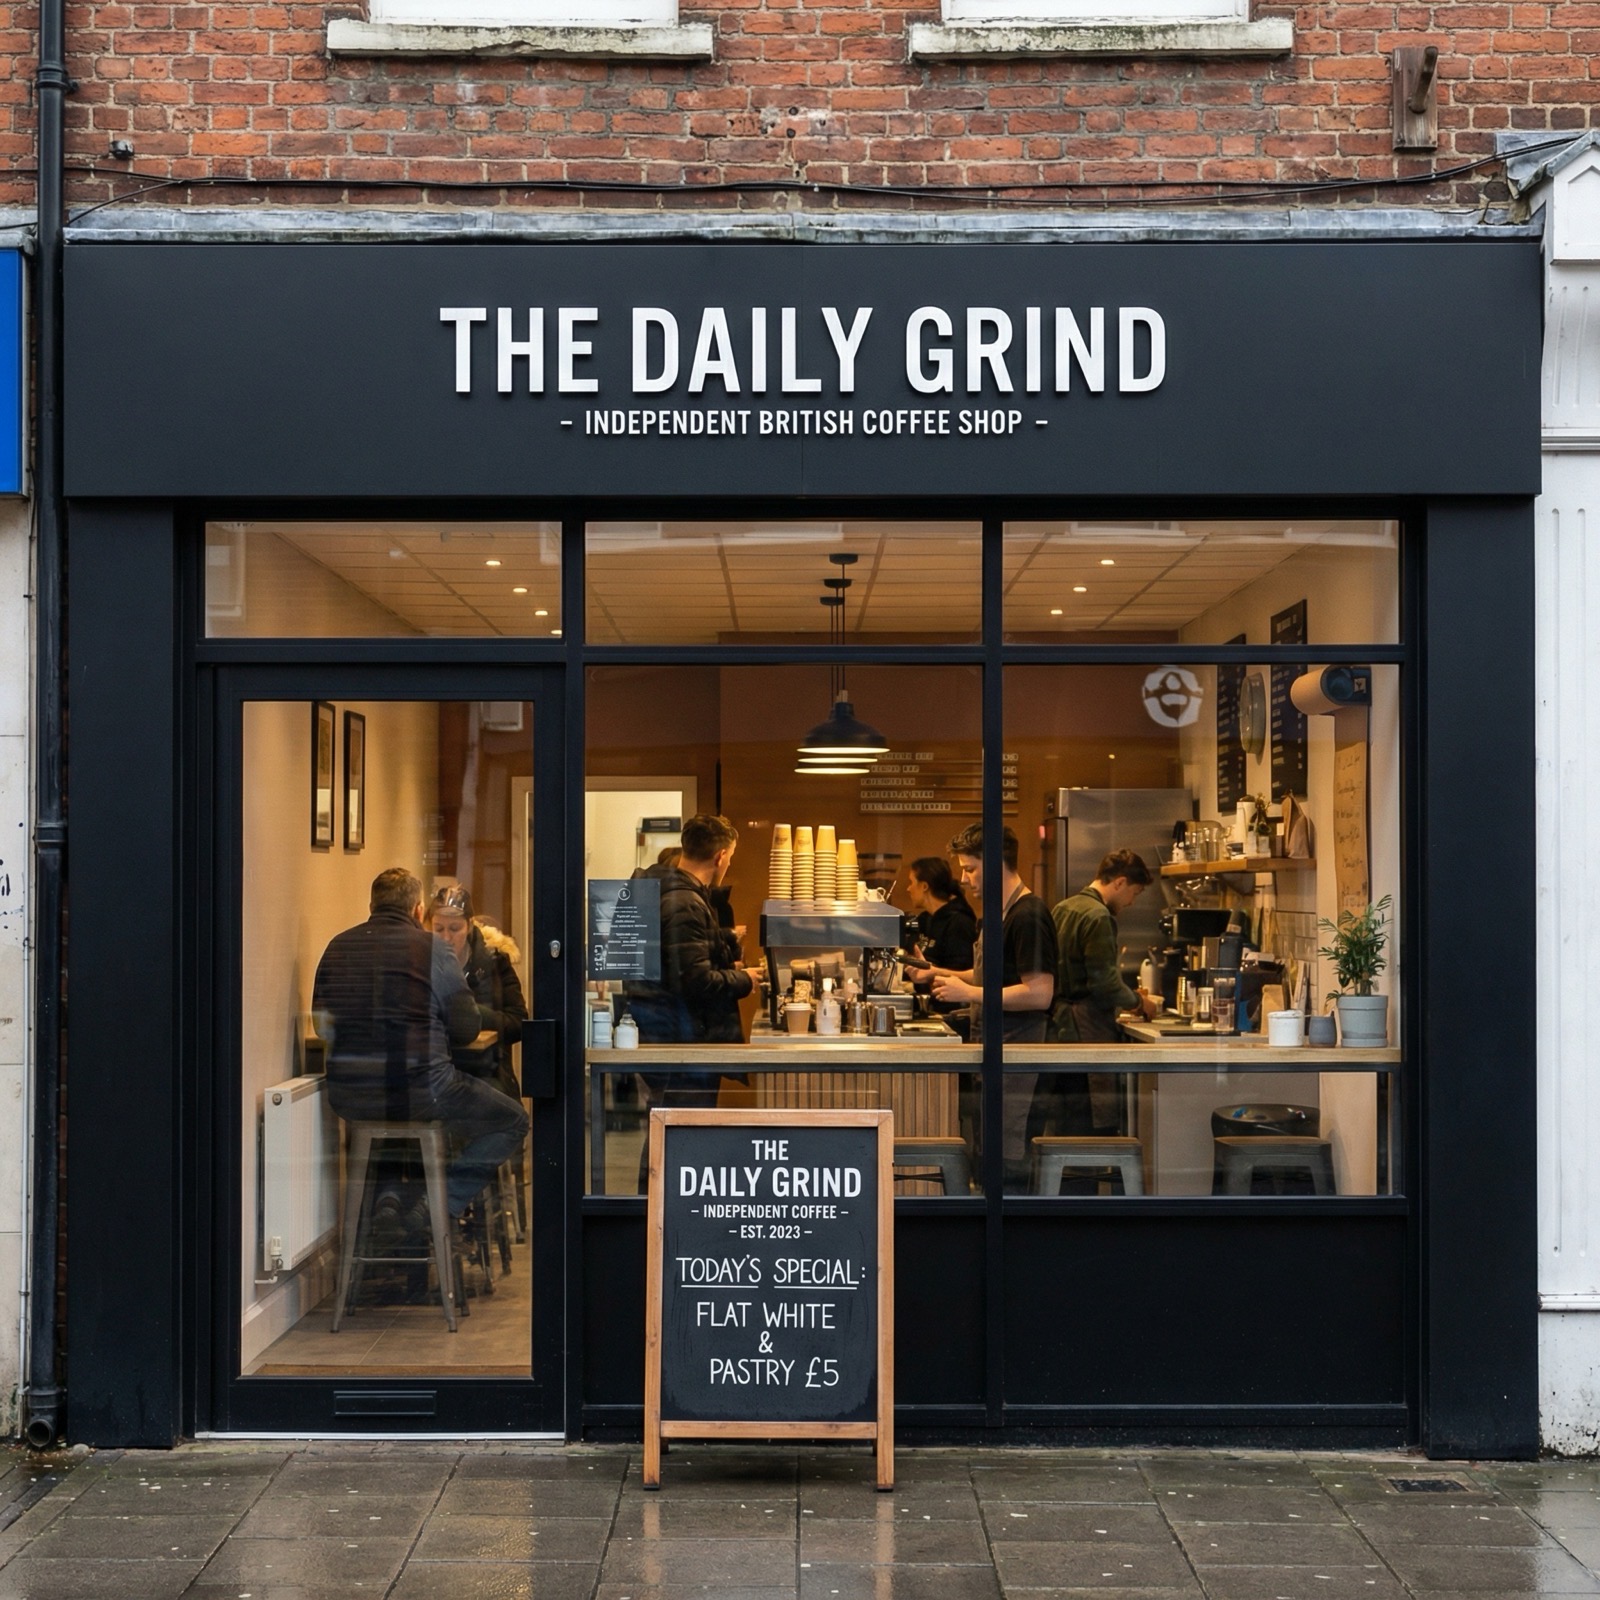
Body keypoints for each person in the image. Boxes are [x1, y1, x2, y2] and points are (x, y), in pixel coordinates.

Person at [312, 867, 530, 1228]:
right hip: (423, 1091)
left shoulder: (337, 946)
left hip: (349, 1095)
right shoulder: (431, 950)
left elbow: (322, 1025)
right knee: (514, 1120)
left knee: (394, 1115)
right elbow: (465, 1029)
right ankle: (437, 1204)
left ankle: (390, 1198)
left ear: (371, 905)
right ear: (417, 912)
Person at [924, 824, 1057, 1186]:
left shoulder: (1028, 915)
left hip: (1020, 1060)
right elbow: (992, 978)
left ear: (996, 863)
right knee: (990, 1164)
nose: (964, 879)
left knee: (1011, 1169)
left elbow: (1039, 992)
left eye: (970, 868)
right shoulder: (997, 912)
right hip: (998, 1057)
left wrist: (968, 994)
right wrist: (940, 973)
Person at [623, 813, 756, 1047]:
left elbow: (677, 961)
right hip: (680, 1040)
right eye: (730, 857)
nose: (729, 864)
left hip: (659, 1032)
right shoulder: (685, 902)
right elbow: (697, 982)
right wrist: (745, 979)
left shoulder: (664, 891)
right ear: (720, 856)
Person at [427, 883, 530, 1106]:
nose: (446, 938)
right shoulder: (422, 963)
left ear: (470, 926)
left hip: (487, 1073)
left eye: (455, 929)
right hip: (437, 1074)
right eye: (438, 929)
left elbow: (520, 1022)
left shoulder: (494, 962)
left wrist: (472, 1014)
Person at [1051, 849, 1160, 1044]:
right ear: (1120, 882)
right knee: (1095, 1075)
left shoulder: (1062, 907)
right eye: (1134, 893)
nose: (1131, 902)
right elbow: (1104, 983)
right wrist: (1140, 1002)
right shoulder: (1099, 916)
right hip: (1087, 1025)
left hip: (1058, 1023)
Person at [904, 856, 978, 976]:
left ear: (924, 886)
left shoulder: (959, 923)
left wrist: (932, 973)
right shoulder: (925, 919)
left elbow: (966, 973)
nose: (908, 889)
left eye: (911, 882)